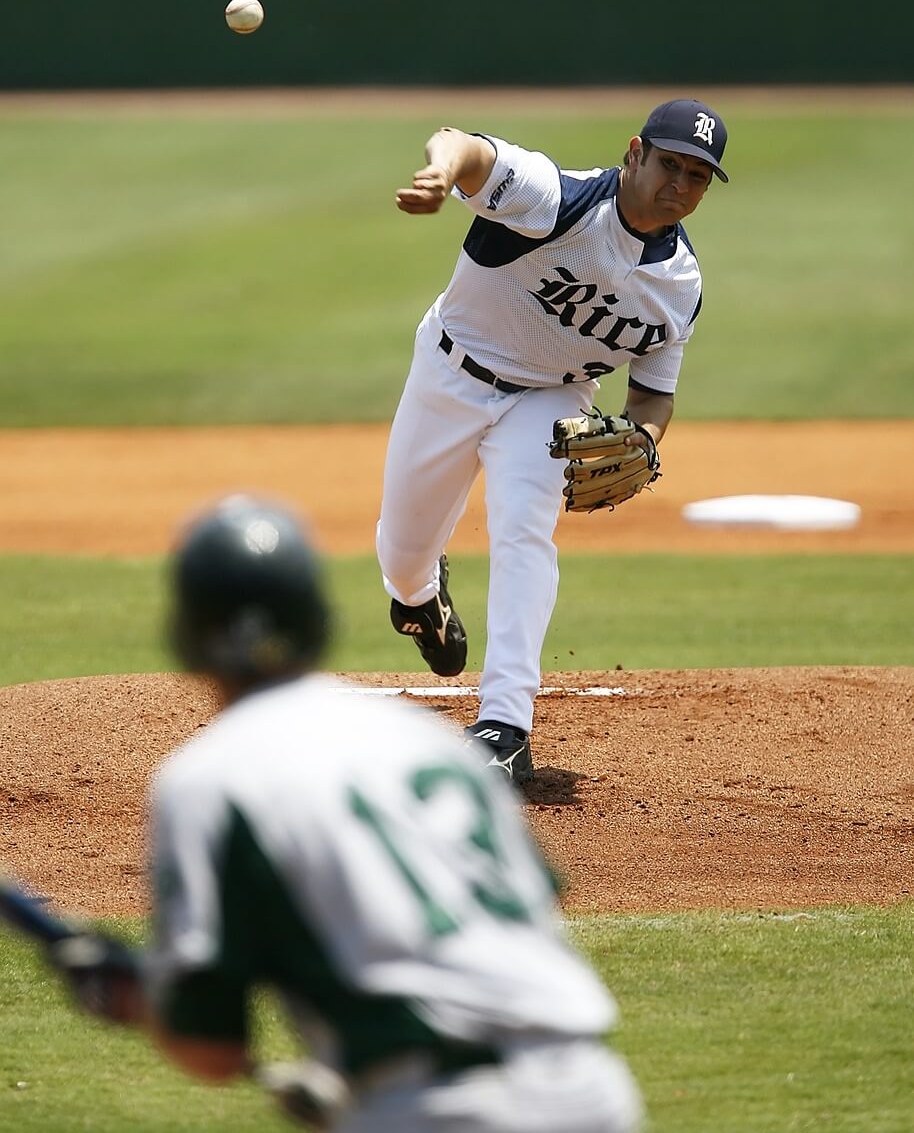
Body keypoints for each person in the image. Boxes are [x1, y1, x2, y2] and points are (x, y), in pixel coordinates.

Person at [48, 495, 643, 1133]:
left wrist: (139, 999)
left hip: (437, 1110)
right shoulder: (432, 742)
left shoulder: (207, 778)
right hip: (595, 1092)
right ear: (316, 617)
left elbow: (210, 1046)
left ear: (186, 635)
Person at [378, 100, 729, 784]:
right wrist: (440, 174)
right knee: (402, 554)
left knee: (523, 529)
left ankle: (505, 727)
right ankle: (419, 598)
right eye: (670, 164)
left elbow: (653, 394)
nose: (680, 185)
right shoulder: (556, 199)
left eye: (697, 176)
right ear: (635, 153)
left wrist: (645, 440)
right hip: (451, 371)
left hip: (550, 397)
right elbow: (461, 143)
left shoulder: (679, 287)